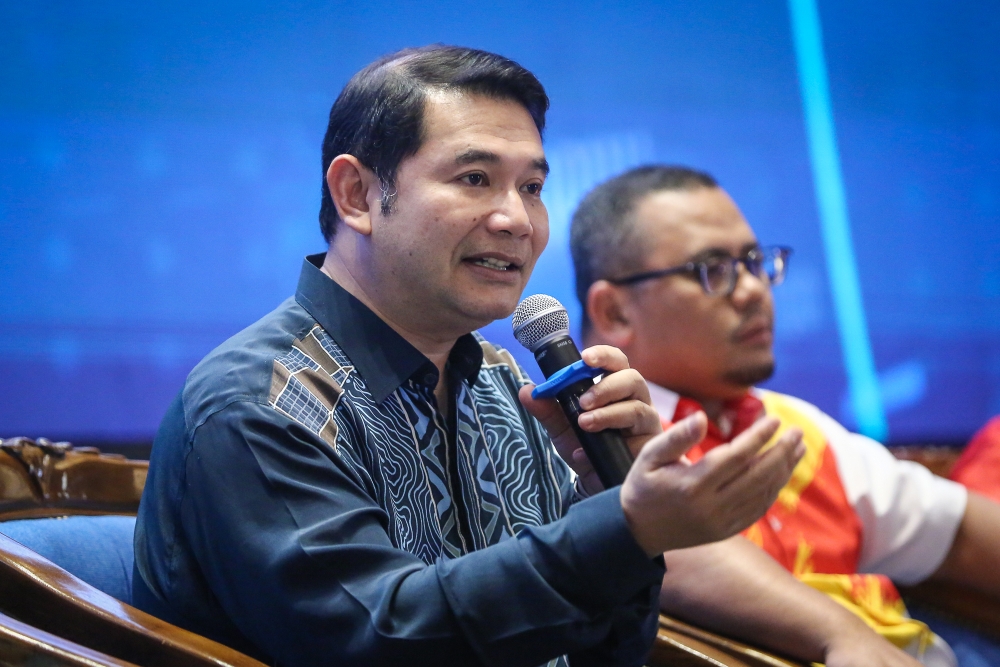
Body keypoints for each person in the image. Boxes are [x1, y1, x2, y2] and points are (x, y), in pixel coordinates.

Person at [132, 48, 804, 667]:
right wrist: (620, 530)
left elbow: (606, 655)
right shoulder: (261, 400)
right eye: (476, 178)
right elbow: (382, 638)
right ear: (357, 195)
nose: (517, 219)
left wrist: (611, 493)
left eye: (533, 187)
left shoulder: (504, 381)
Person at [571, 164, 1000, 665]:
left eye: (754, 262)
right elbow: (654, 544)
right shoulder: (580, 438)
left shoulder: (795, 426)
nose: (754, 289)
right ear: (615, 312)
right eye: (713, 270)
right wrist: (841, 634)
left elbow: (962, 538)